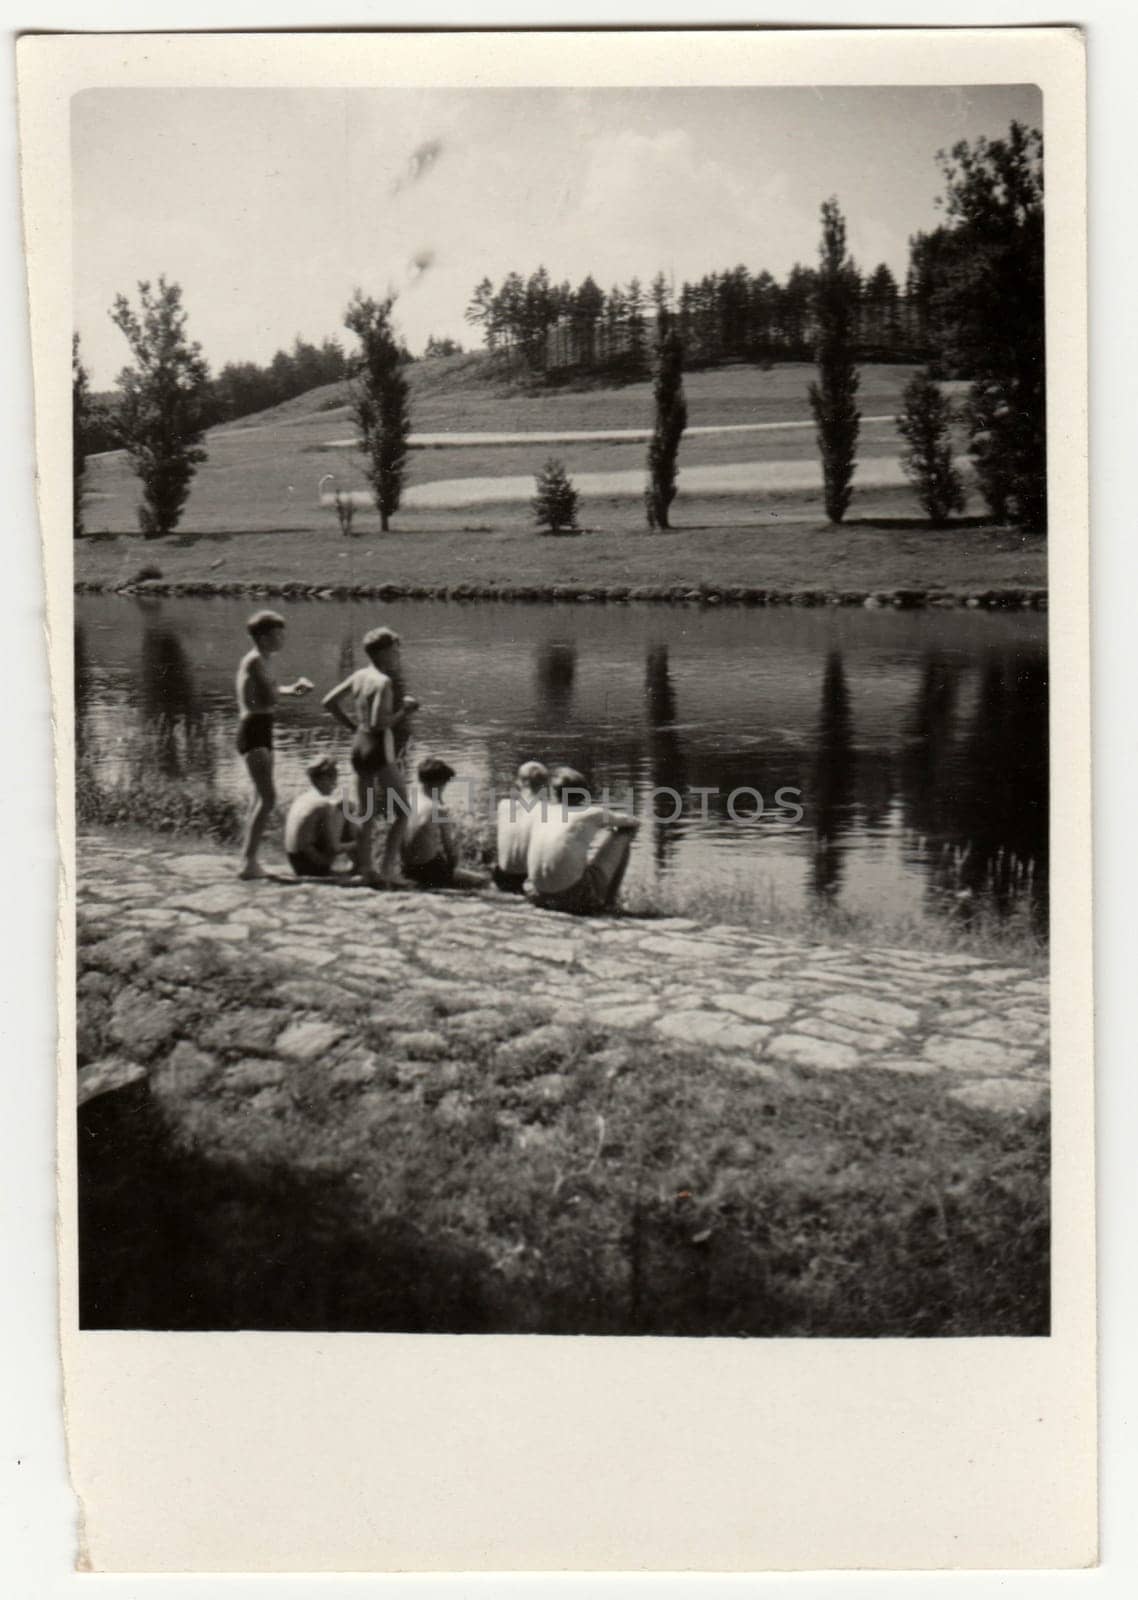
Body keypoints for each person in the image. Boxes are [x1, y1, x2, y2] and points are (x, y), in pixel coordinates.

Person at [321, 626, 418, 887]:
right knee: (403, 811)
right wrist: (405, 711)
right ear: (384, 652)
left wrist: (352, 726)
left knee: (366, 813)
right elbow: (379, 723)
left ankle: (366, 870)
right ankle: (387, 869)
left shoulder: (360, 675)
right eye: (396, 651)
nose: (398, 656)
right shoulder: (383, 682)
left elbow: (328, 701)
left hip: (358, 745)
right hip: (377, 747)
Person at [235, 610, 313, 879]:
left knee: (260, 797)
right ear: (263, 637)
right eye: (278, 634)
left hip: (262, 729)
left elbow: (270, 693)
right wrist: (284, 691)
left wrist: (292, 689)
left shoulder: (263, 661)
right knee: (268, 798)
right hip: (253, 731)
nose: (283, 638)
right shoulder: (256, 661)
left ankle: (248, 858)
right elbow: (269, 696)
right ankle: (248, 862)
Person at [525, 766, 640, 914]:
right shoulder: (590, 813)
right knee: (624, 833)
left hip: (537, 895)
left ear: (553, 793)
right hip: (573, 897)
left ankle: (604, 899)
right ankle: (609, 904)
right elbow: (633, 822)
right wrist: (611, 828)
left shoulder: (540, 813)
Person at [401, 757, 487, 889]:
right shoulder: (437, 809)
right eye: (445, 784)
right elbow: (451, 852)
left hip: (406, 868)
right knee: (482, 881)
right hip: (428, 871)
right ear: (440, 784)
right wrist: (450, 871)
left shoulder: (408, 801)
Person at [283, 756, 356, 878]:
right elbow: (334, 848)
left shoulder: (301, 798)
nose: (336, 784)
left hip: (296, 864)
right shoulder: (323, 805)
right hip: (315, 867)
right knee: (345, 812)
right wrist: (359, 843)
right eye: (333, 777)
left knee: (343, 806)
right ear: (321, 779)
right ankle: (360, 866)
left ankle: (357, 865)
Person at [494, 760, 549, 893]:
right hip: (527, 879)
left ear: (519, 782)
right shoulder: (548, 810)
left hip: (502, 876)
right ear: (545, 785)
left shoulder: (503, 805)